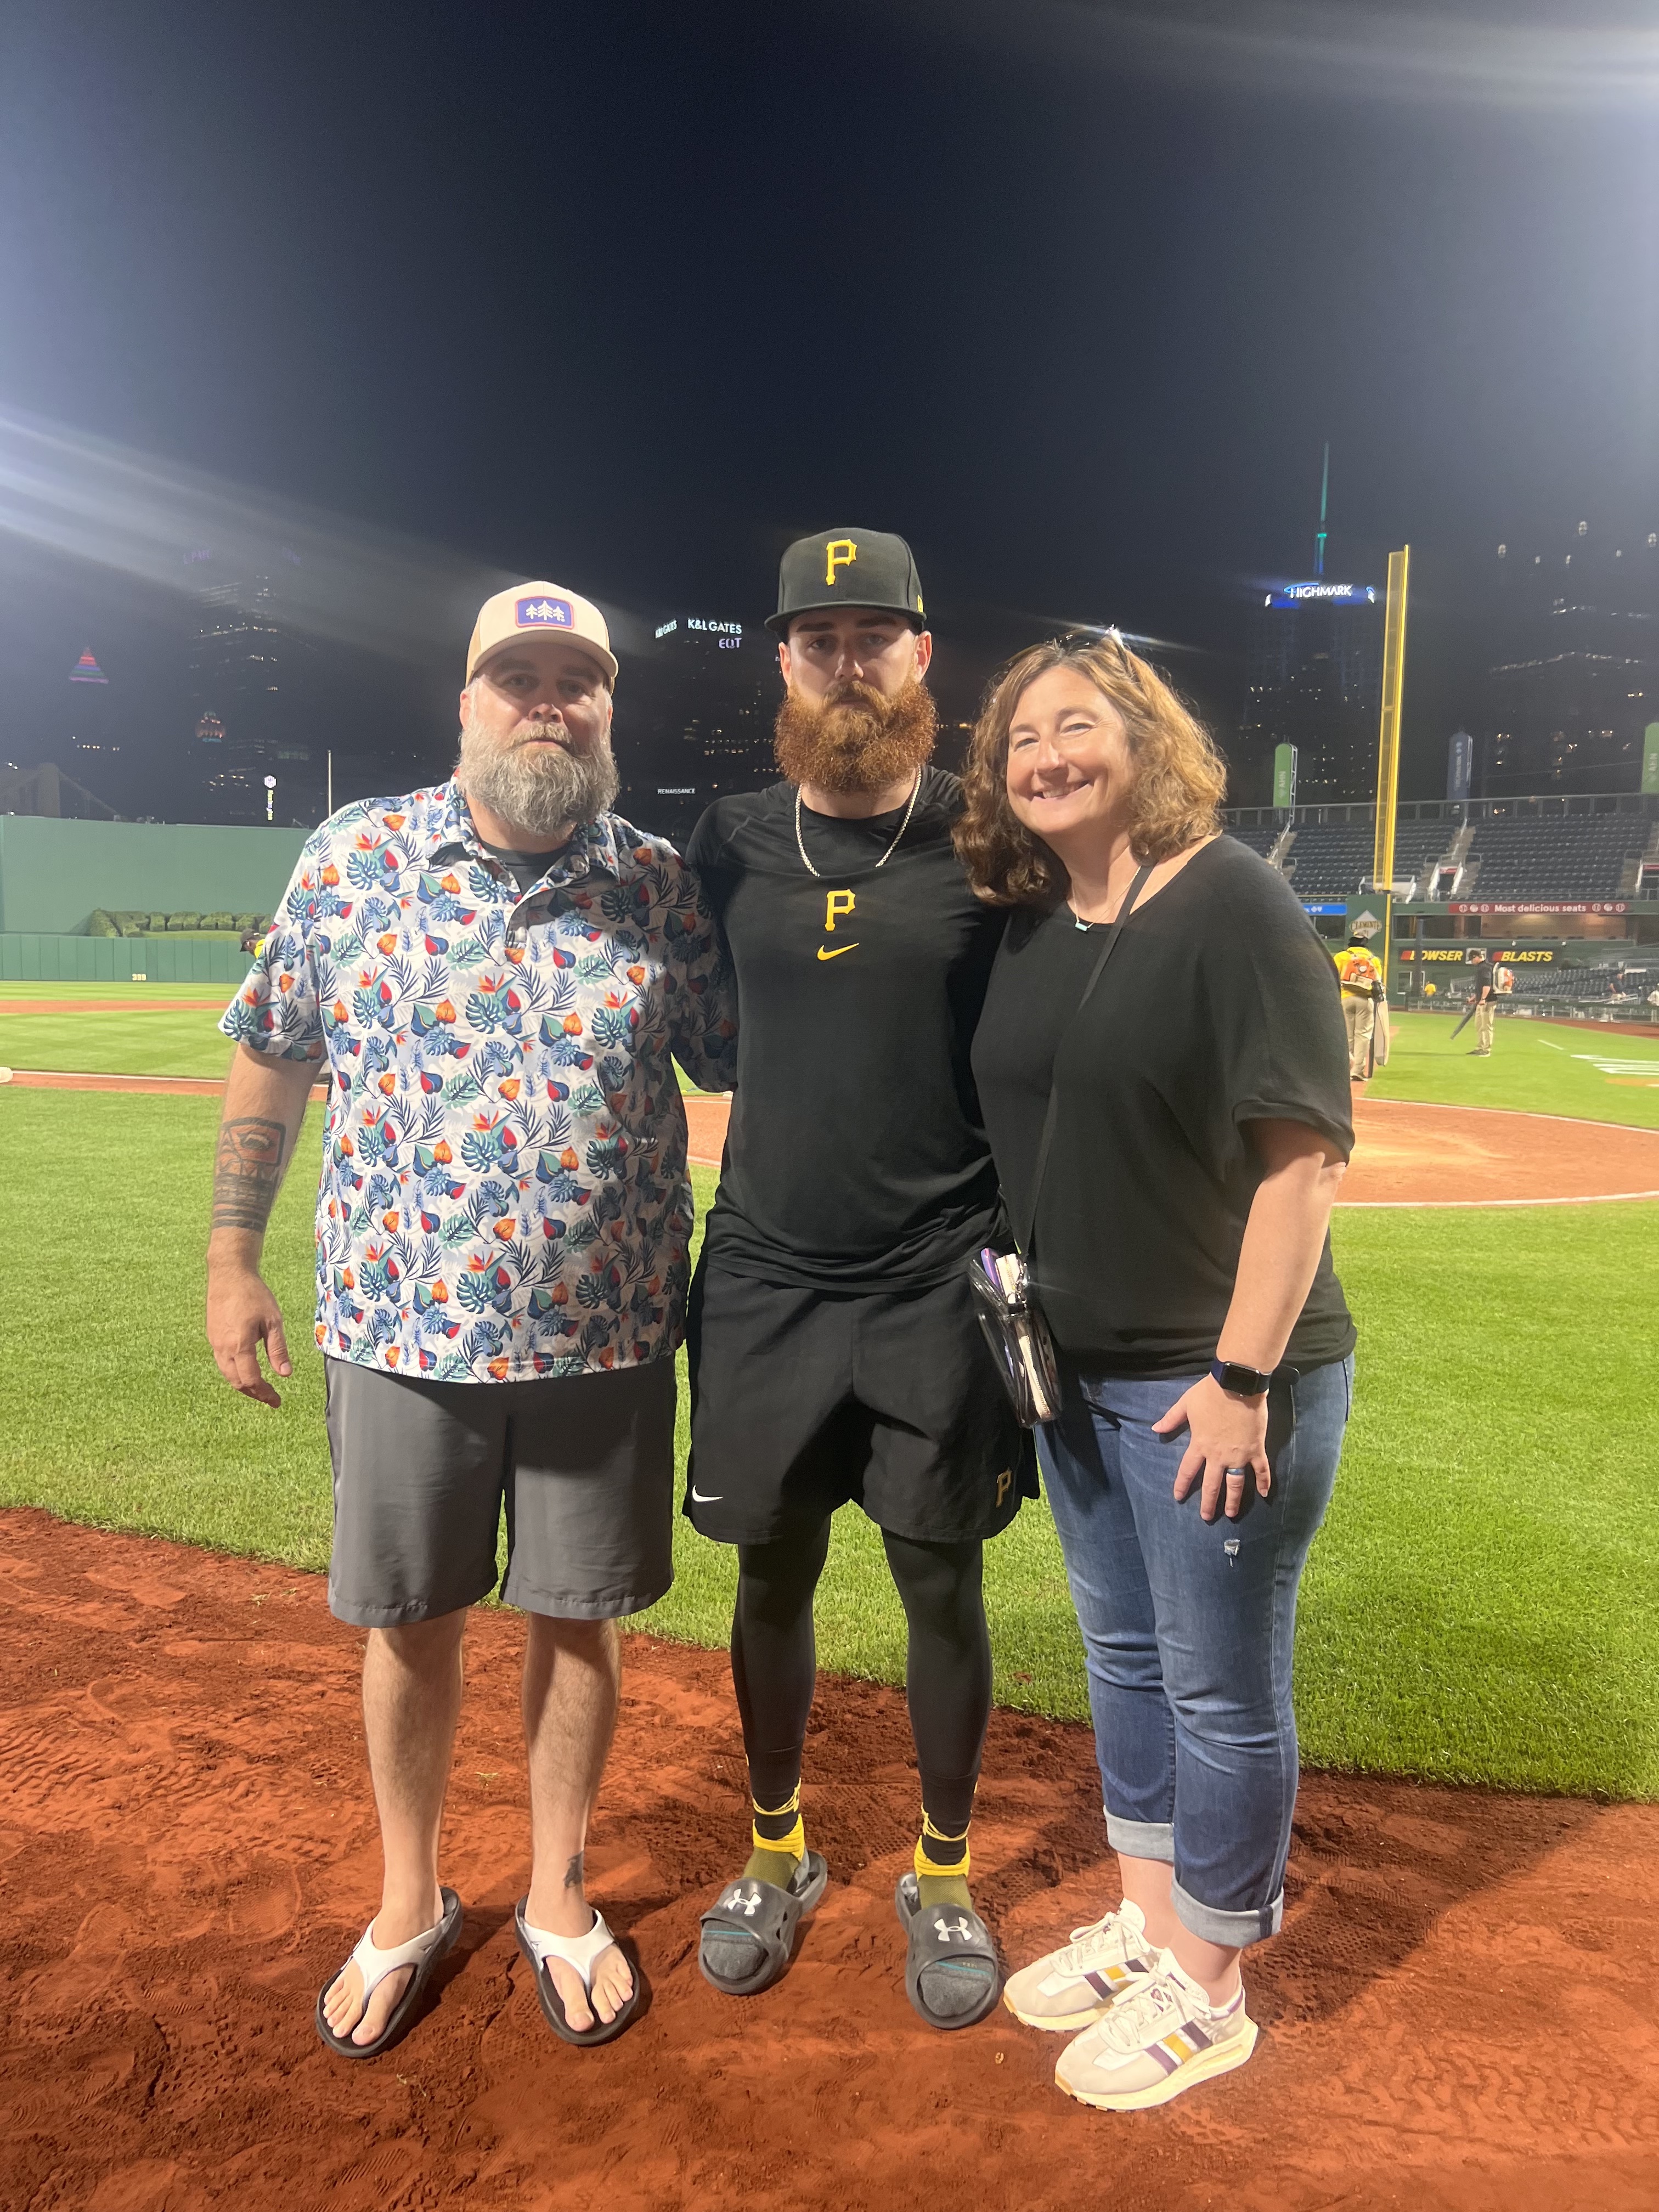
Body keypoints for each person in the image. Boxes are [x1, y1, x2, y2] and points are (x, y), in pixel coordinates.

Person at [205, 581, 735, 2059]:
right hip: (400, 1332)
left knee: (580, 1621)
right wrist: (229, 1257)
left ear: (612, 709)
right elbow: (270, 1059)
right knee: (411, 1623)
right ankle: (410, 1899)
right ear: (466, 701)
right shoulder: (356, 855)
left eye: (579, 679)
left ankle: (559, 1896)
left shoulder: (658, 883)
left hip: (607, 1338)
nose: (549, 701)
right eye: (520, 677)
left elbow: (747, 1068)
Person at [958, 633, 1355, 2111]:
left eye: (1077, 726)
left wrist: (1245, 1378)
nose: (1047, 756)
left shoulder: (1234, 902)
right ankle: (1147, 1920)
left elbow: (1302, 1166)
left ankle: (1214, 1979)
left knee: (1221, 1689)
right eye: (1020, 742)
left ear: (1146, 741)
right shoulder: (1041, 924)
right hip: (1074, 1369)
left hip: (1215, 1377)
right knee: (1124, 1661)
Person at [682, 528, 1033, 2031]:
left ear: (922, 657)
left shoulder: (985, 839)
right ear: (779, 660)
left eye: (873, 636)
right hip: (762, 1268)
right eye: (817, 638)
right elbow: (696, 1035)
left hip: (932, 1279)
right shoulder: (729, 837)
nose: (846, 662)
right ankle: (779, 1851)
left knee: (936, 1575)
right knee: (772, 1571)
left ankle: (942, 1874)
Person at [1332, 932, 1384, 1081]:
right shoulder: (1373, 960)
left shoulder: (1342, 956)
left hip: (1345, 998)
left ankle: (1344, 1069)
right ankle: (1357, 1071)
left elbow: (1333, 977)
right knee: (1363, 1036)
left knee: (1346, 1036)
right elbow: (1378, 983)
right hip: (1365, 999)